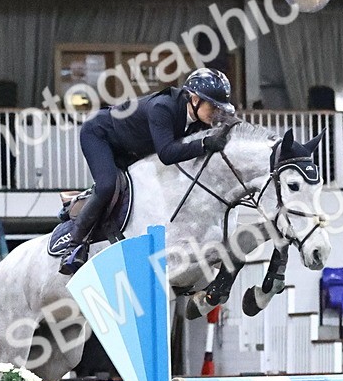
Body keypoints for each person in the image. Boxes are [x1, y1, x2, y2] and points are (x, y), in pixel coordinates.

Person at [59, 68, 237, 275]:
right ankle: (74, 246)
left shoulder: (197, 121)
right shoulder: (163, 107)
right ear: (195, 99)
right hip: (100, 134)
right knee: (108, 185)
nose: (217, 113)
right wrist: (205, 143)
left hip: (131, 147)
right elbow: (167, 154)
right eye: (213, 107)